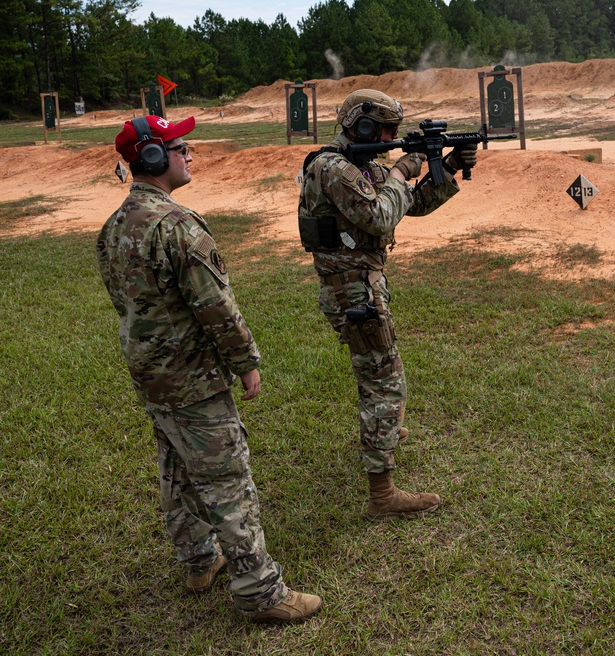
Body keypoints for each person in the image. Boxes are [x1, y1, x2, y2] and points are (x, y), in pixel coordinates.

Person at [96, 115, 322, 624]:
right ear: (154, 158)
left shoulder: (113, 227)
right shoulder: (176, 226)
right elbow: (216, 308)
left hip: (151, 376)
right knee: (228, 481)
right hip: (194, 378)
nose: (191, 154)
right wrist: (246, 364)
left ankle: (199, 561)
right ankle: (260, 591)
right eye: (181, 147)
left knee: (176, 469)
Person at [298, 89, 477, 521]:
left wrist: (447, 166)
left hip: (360, 284)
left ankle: (384, 427)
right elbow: (379, 215)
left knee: (377, 373)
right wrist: (401, 169)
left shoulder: (360, 167)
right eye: (386, 130)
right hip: (353, 289)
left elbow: (407, 207)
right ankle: (382, 495)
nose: (392, 137)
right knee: (385, 380)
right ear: (360, 127)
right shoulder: (333, 168)